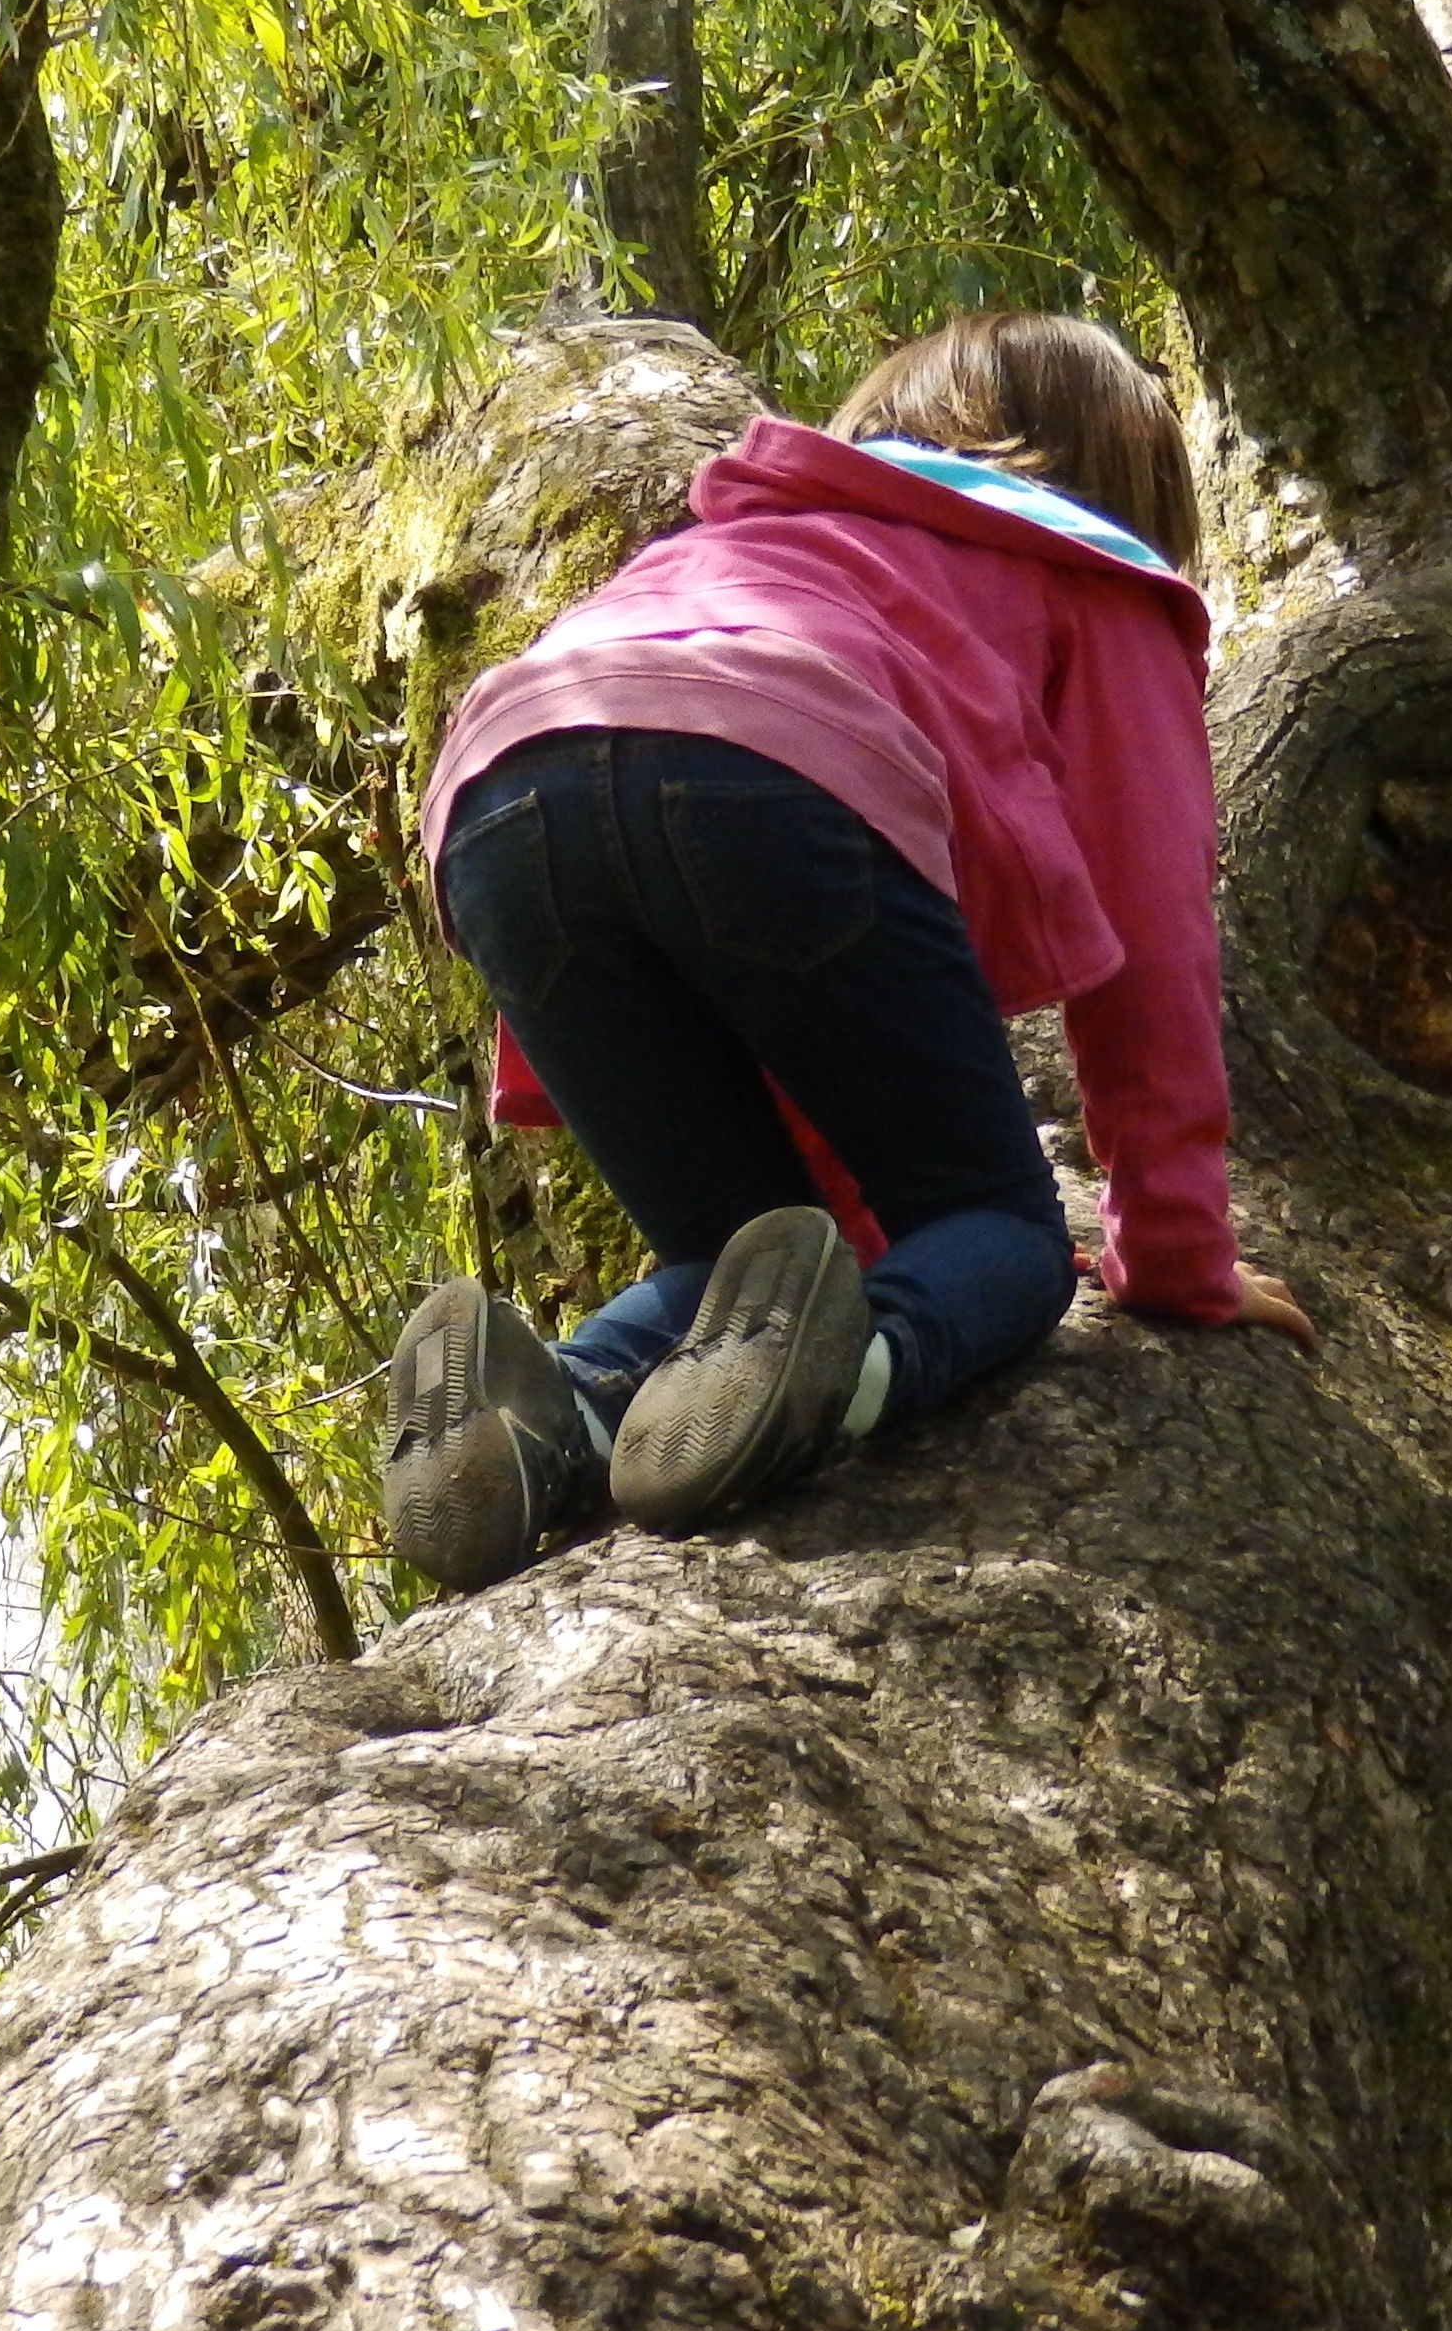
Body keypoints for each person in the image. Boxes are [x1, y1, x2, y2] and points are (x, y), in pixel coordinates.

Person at [378, 309, 1317, 1595]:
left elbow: (761, 999)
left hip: (497, 794)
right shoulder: (1093, 571)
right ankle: (839, 1376)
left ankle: (548, 1415)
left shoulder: (734, 536)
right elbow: (1155, 933)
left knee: (738, 1255)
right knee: (997, 1231)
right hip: (771, 772)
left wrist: (842, 1236)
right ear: (1128, 476)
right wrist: (1173, 1254)